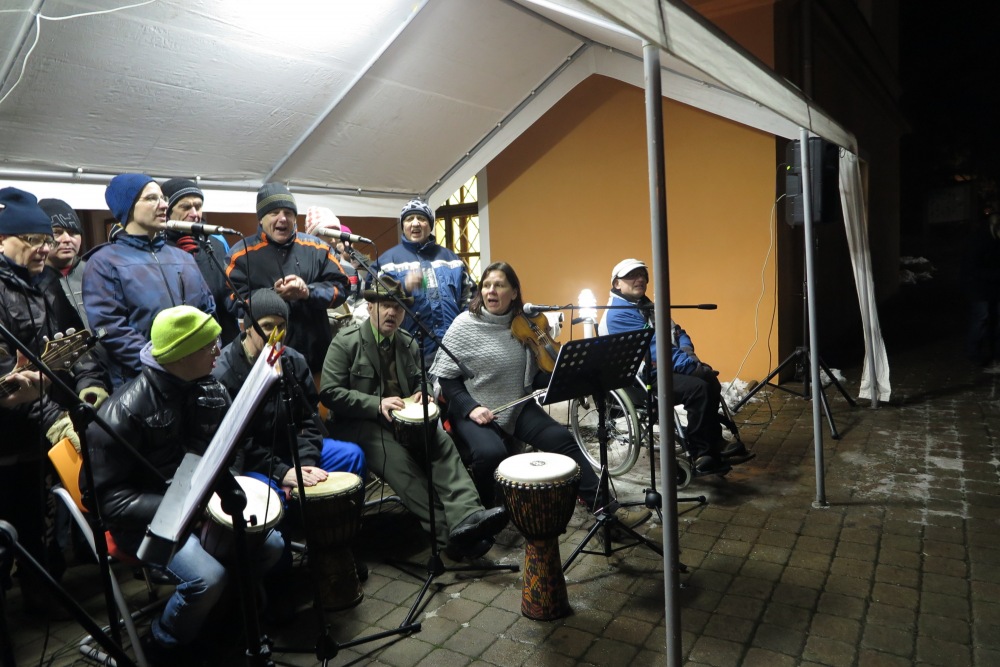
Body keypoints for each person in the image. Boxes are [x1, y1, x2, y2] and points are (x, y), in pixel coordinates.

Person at [83, 305, 284, 662]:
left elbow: (230, 448)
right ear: (181, 355)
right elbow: (106, 502)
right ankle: (164, 643)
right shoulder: (122, 412)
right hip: (147, 524)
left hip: (198, 507)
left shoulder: (209, 387)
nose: (219, 350)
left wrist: (216, 494)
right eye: (209, 346)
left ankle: (222, 620)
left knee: (271, 545)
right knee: (206, 578)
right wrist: (187, 506)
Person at [431, 261, 651, 531]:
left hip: (515, 406)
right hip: (473, 408)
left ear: (514, 292)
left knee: (561, 438)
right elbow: (446, 378)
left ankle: (607, 510)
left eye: (499, 285)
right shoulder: (464, 325)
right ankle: (484, 515)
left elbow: (533, 378)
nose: (491, 291)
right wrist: (471, 407)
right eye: (486, 285)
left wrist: (570, 375)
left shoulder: (523, 324)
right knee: (490, 453)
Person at [319, 276, 507, 560]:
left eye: (397, 307)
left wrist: (425, 393)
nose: (392, 312)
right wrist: (376, 403)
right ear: (370, 307)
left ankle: (469, 515)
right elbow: (330, 393)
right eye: (385, 305)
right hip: (360, 424)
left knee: (440, 442)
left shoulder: (407, 343)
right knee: (401, 464)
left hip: (403, 420)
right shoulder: (346, 342)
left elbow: (422, 378)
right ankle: (449, 536)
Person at [0, 187, 109, 615]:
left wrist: (89, 384)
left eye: (45, 240)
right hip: (9, 433)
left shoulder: (45, 282)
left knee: (37, 519)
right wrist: (54, 420)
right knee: (11, 524)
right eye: (33, 240)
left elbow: (73, 343)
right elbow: (10, 379)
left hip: (38, 429)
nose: (45, 248)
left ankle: (42, 596)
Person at [599, 258, 750, 474]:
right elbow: (656, 347)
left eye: (642, 275)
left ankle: (713, 440)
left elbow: (677, 332)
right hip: (638, 379)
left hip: (661, 368)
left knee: (710, 381)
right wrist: (691, 367)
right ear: (616, 284)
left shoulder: (647, 306)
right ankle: (702, 452)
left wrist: (689, 354)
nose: (639, 279)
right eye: (631, 275)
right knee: (698, 389)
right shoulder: (618, 314)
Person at [213, 288, 366, 500]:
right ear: (247, 328)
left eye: (281, 326)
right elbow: (237, 445)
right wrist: (282, 472)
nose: (275, 333)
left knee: (352, 456)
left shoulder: (294, 361)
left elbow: (309, 420)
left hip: (293, 452)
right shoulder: (223, 374)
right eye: (267, 326)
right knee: (271, 497)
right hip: (254, 462)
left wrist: (304, 464)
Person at [83, 173, 216, 388]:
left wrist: (205, 353)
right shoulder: (103, 262)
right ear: (128, 207)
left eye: (163, 198)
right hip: (142, 385)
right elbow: (111, 329)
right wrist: (164, 364)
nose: (163, 205)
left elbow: (208, 311)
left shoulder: (182, 257)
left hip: (195, 380)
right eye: (151, 198)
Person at [225, 184, 349, 370]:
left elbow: (342, 287)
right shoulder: (240, 254)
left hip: (317, 359)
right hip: (265, 362)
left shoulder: (318, 248)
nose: (282, 218)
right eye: (274, 212)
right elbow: (232, 302)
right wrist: (272, 296)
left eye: (288, 213)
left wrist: (308, 292)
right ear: (261, 219)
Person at [369, 198, 473, 367]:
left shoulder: (452, 259)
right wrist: (403, 288)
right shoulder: (387, 261)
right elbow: (373, 304)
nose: (415, 223)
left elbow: (470, 298)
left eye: (422, 218)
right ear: (403, 225)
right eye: (409, 219)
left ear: (430, 225)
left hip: (454, 349)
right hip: (409, 351)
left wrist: (464, 330)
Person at [161, 178, 240, 344]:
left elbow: (228, 290)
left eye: (198, 207)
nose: (194, 214)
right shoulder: (159, 249)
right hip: (184, 340)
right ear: (167, 211)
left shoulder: (217, 243)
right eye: (185, 207)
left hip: (224, 339)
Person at [38, 198, 89, 326]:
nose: (67, 239)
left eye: (73, 233)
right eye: (57, 232)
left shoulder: (94, 271)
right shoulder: (33, 281)